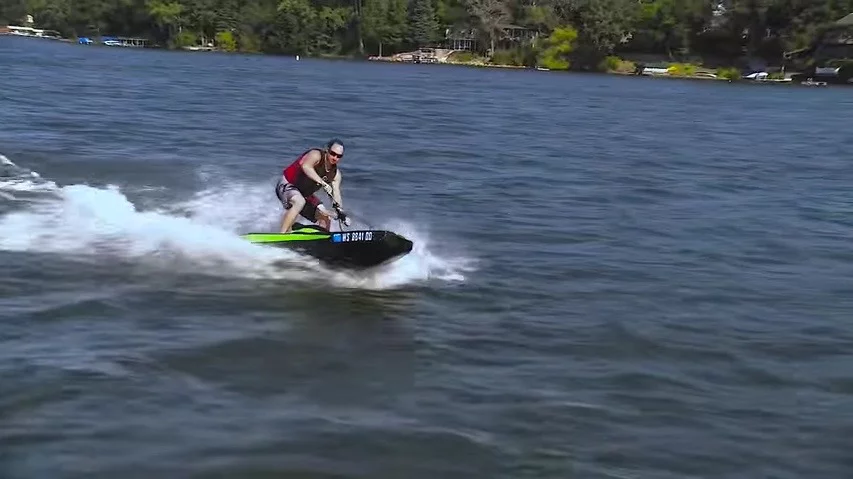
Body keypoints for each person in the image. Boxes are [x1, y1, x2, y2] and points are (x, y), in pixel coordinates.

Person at [276, 138, 350, 233]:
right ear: (327, 150)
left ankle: (322, 241)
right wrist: (322, 182)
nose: (335, 158)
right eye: (333, 153)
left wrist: (340, 211)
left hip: (305, 194)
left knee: (325, 217)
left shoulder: (336, 174)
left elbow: (336, 194)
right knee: (299, 202)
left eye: (339, 156)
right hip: (287, 185)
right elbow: (306, 166)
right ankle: (282, 235)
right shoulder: (316, 155)